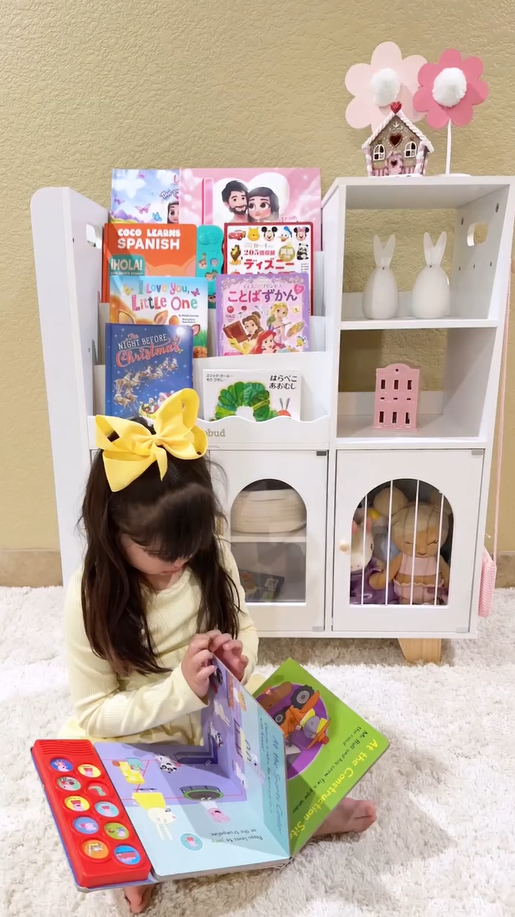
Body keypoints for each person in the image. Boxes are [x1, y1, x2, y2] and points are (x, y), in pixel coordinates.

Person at [60, 390, 376, 914]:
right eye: (158, 553)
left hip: (217, 714)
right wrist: (179, 691)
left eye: (189, 544)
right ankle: (143, 855)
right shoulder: (90, 596)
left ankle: (306, 814)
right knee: (96, 788)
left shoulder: (208, 552)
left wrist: (237, 660)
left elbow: (243, 626)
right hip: (144, 728)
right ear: (110, 532)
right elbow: (95, 712)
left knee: (287, 739)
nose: (178, 560)